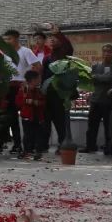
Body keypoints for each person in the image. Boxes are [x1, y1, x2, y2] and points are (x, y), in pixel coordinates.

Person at [0, 30, 42, 154]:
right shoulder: (5, 54)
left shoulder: (25, 51)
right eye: (5, 40)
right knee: (11, 117)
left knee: (27, 117)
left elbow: (38, 66)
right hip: (9, 87)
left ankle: (30, 145)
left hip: (22, 88)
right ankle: (16, 144)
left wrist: (30, 83)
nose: (7, 42)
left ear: (17, 39)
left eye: (9, 39)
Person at [40, 24, 74, 152]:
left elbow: (68, 46)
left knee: (60, 122)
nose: (52, 40)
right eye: (51, 38)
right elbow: (43, 76)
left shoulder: (64, 56)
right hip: (47, 93)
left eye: (55, 38)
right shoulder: (47, 58)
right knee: (45, 121)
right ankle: (43, 145)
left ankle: (63, 145)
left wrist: (58, 33)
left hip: (60, 93)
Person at [82, 45, 112, 153]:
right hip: (95, 100)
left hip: (108, 101)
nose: (107, 54)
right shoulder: (96, 66)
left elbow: (110, 78)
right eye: (105, 52)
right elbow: (91, 79)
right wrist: (98, 78)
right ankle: (90, 146)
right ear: (102, 53)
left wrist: (97, 77)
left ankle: (109, 147)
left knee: (108, 126)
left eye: (109, 52)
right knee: (92, 126)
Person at [16, 70, 48, 160]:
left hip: (38, 116)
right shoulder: (23, 90)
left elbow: (43, 102)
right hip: (27, 116)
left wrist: (35, 102)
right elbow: (18, 102)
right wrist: (27, 101)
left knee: (39, 134)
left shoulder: (39, 90)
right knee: (28, 135)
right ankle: (27, 151)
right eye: (38, 78)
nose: (40, 80)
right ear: (33, 80)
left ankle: (38, 152)